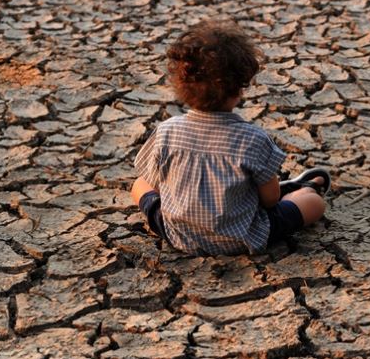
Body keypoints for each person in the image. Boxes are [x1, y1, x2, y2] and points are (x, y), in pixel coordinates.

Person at [130, 19, 328, 255]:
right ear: (238, 89)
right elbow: (270, 200)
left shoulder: (166, 131)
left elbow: (154, 183)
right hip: (241, 237)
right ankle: (302, 189)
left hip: (177, 234)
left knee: (139, 184)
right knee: (313, 202)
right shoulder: (252, 139)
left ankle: (294, 189)